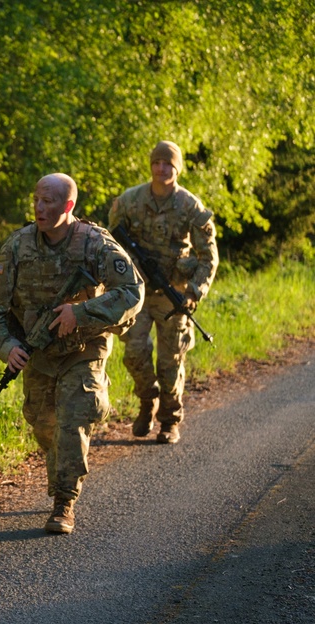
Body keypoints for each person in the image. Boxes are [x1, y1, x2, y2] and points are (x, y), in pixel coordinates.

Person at [0, 173, 144, 535]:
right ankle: (60, 481)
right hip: (39, 352)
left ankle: (64, 501)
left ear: (68, 206)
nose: (39, 207)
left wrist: (79, 313)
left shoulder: (95, 244)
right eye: (36, 199)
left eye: (49, 201)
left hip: (84, 347)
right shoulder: (18, 246)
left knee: (73, 418)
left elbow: (132, 292)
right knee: (44, 423)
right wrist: (8, 346)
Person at [108, 141, 219, 444]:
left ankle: (170, 420)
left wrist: (194, 292)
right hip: (138, 293)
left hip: (175, 295)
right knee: (134, 354)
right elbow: (110, 248)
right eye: (157, 162)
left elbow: (209, 256)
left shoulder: (190, 206)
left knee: (170, 363)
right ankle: (147, 401)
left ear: (177, 168)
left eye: (168, 164)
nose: (161, 168)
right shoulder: (129, 201)